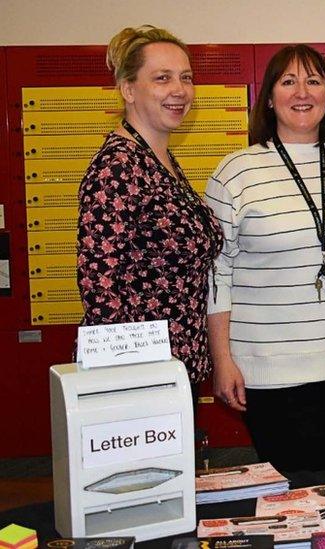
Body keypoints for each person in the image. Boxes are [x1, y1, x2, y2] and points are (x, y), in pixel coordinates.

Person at [206, 45, 325, 474]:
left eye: (313, 81)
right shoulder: (236, 171)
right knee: (289, 481)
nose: (301, 92)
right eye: (288, 81)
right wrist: (222, 358)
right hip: (271, 366)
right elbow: (216, 272)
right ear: (269, 97)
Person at [77, 26, 223, 385]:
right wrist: (133, 380)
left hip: (174, 366)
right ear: (128, 89)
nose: (179, 90)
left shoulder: (159, 160)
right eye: (162, 78)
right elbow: (100, 285)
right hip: (140, 375)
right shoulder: (119, 166)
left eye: (186, 78)